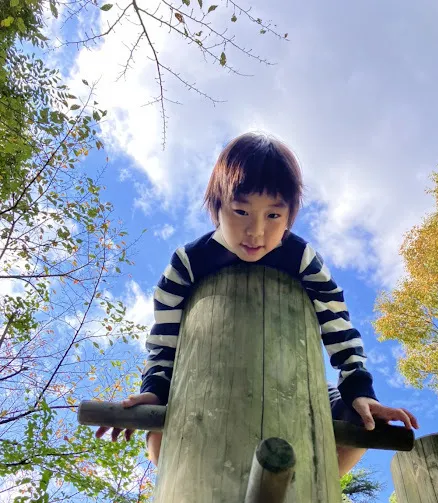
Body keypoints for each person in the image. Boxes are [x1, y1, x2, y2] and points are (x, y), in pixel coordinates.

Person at [96, 133, 418, 476]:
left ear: (290, 216)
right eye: (241, 211)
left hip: (297, 384)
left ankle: (303, 489)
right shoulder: (187, 264)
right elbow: (163, 341)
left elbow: (337, 322)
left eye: (273, 216)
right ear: (216, 205)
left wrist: (358, 389)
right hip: (206, 380)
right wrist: (155, 391)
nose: (256, 231)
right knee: (158, 446)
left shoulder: (301, 259)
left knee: (361, 428)